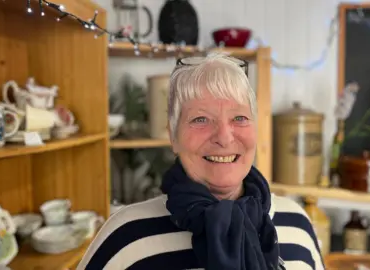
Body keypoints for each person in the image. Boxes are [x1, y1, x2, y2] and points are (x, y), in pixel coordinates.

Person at [76, 53, 324, 270]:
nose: (224, 138)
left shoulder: (297, 225)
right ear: (173, 136)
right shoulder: (125, 236)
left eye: (239, 117)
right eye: (201, 119)